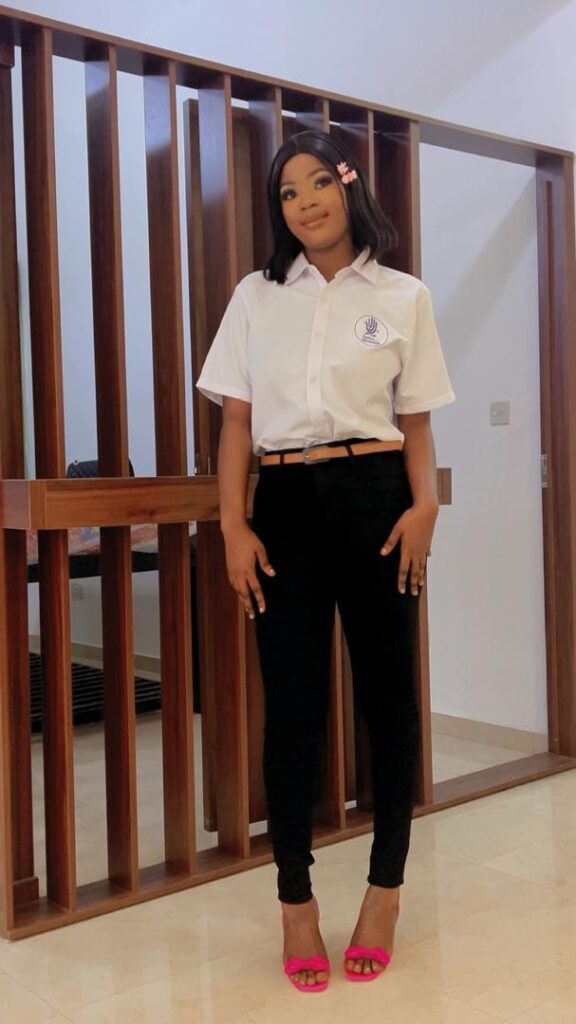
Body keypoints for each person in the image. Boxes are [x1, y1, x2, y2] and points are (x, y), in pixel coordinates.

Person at [196, 129, 455, 992]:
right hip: (284, 507)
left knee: (389, 701)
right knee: (293, 711)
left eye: (317, 183)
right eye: (287, 192)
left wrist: (423, 507)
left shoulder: (404, 295)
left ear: (349, 185)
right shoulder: (255, 296)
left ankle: (384, 891)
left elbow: (416, 422)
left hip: (378, 500)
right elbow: (237, 423)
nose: (303, 202)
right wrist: (232, 525)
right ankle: (296, 903)